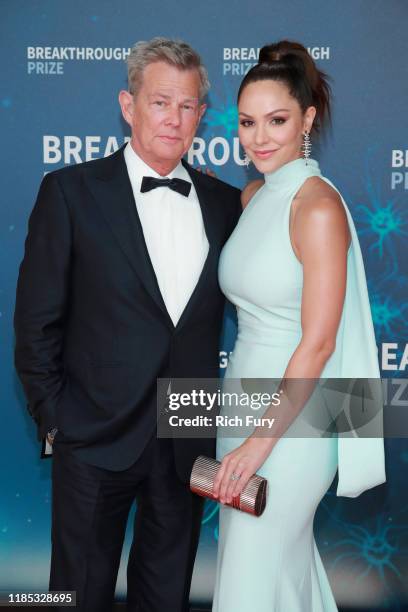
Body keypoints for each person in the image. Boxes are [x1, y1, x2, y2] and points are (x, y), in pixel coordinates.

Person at [14, 37, 241, 612]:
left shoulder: (226, 204)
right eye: (161, 101)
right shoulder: (69, 192)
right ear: (127, 104)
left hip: (185, 440)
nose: (175, 118)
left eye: (188, 106)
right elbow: (36, 322)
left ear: (201, 117)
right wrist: (59, 420)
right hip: (93, 438)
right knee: (76, 595)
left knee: (166, 596)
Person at [212, 41, 386, 611]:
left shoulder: (317, 207)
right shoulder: (255, 194)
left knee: (253, 575)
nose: (259, 137)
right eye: (246, 122)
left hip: (294, 426)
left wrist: (259, 445)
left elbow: (319, 342)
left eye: (277, 120)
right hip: (242, 407)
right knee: (274, 572)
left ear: (307, 120)